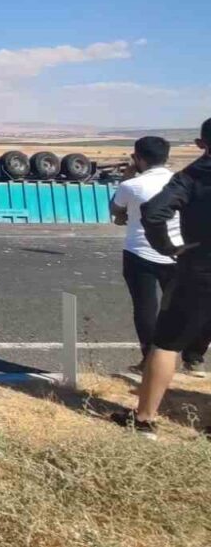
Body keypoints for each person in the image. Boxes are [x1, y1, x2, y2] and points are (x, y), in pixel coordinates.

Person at [112, 118, 211, 437]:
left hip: (199, 268)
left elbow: (154, 213)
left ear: (200, 144)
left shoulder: (192, 176)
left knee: (166, 344)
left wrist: (170, 247)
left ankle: (144, 419)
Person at [107, 137, 200, 374]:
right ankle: (193, 358)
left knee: (145, 307)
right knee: (186, 305)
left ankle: (149, 359)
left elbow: (116, 210)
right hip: (176, 251)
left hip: (140, 252)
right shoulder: (182, 181)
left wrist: (127, 178)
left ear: (138, 158)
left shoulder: (132, 185)